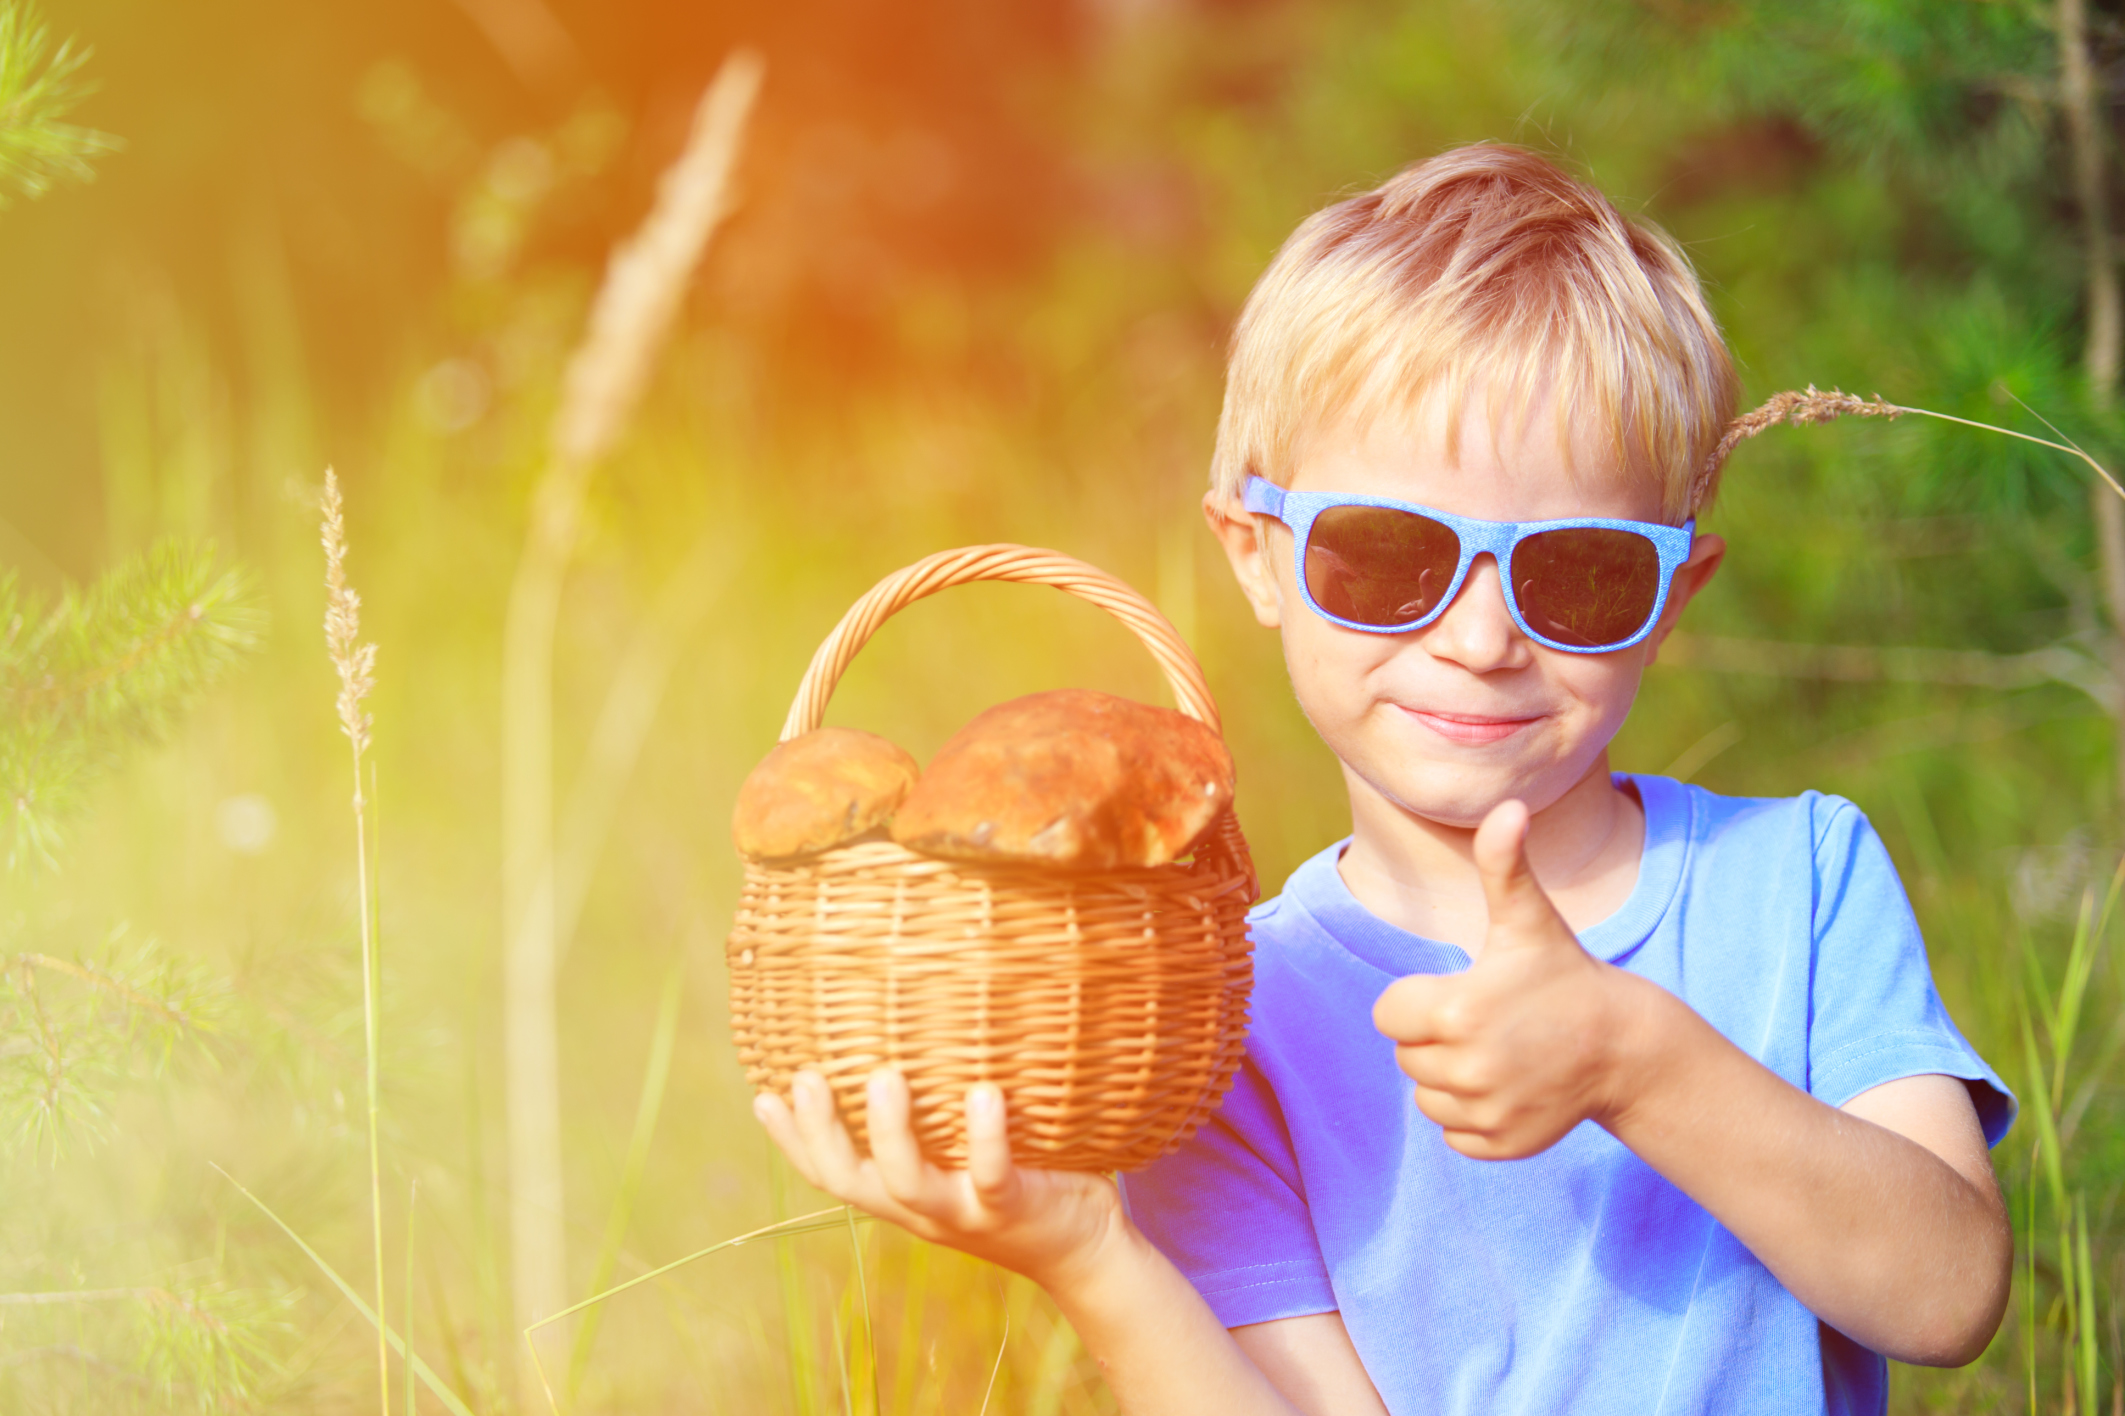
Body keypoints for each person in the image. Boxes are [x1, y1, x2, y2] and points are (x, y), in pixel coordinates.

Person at [752, 143, 2015, 1416]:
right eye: (1384, 556)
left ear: (1671, 595)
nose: (1478, 641)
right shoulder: (1218, 1023)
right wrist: (1092, 1255)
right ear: (1254, 555)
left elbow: (1946, 1295)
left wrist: (1635, 1059)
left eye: (1578, 572)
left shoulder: (1796, 876)